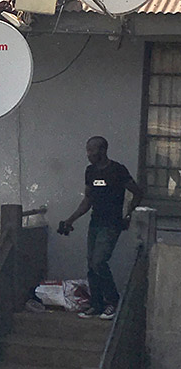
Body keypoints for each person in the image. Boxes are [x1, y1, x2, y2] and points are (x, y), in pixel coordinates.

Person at [60, 136, 143, 320]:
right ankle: (96, 305)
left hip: (112, 224)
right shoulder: (90, 171)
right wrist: (70, 220)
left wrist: (128, 214)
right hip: (95, 223)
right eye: (87, 150)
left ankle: (113, 302)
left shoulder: (117, 170)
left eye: (92, 150)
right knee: (91, 264)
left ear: (103, 150)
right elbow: (88, 199)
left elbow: (137, 192)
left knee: (99, 262)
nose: (88, 154)